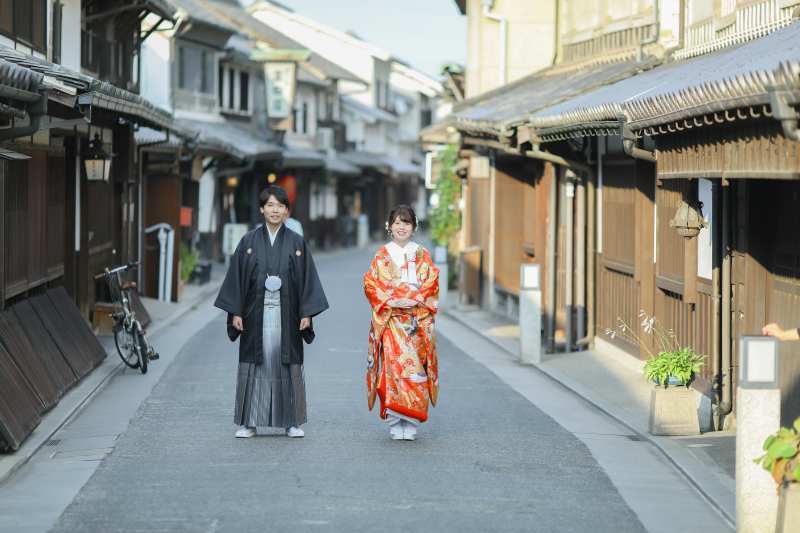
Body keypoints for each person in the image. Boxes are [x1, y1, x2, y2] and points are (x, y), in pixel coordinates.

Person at [214, 185, 328, 438]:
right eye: (270, 205)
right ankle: (249, 422)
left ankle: (292, 422)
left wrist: (307, 313)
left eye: (280, 206)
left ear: (287, 211)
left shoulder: (297, 242)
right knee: (255, 364)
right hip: (255, 313)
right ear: (262, 209)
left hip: (288, 314)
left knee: (287, 364)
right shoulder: (249, 241)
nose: (275, 210)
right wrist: (236, 312)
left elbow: (308, 281)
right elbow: (237, 279)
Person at [363, 205, 439, 441]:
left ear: (413, 227)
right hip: (391, 321)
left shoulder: (422, 254)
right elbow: (371, 283)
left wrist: (413, 298)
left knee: (416, 370)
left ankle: (413, 422)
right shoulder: (382, 255)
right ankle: (396, 422)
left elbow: (432, 281)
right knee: (394, 371)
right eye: (397, 222)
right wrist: (392, 300)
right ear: (390, 227)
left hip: (416, 321)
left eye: (406, 223)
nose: (401, 227)